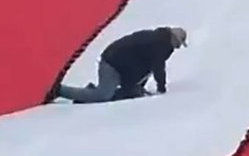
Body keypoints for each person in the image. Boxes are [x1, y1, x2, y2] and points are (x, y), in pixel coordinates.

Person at [55, 27, 188, 104]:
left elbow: (147, 67)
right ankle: (59, 90)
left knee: (128, 93)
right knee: (103, 95)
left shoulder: (159, 41)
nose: (177, 47)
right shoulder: (159, 44)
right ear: (173, 38)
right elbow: (158, 67)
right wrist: (161, 88)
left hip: (121, 65)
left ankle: (88, 93)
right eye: (178, 43)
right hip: (112, 63)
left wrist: (136, 86)